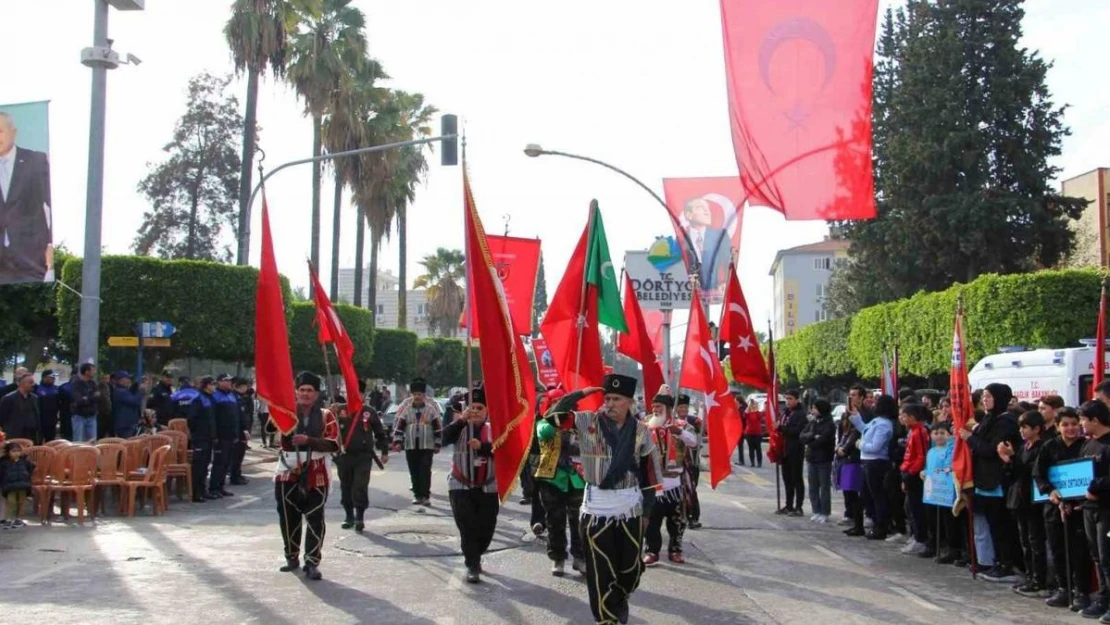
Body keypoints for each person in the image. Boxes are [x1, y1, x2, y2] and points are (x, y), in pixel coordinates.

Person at [544, 374, 663, 625]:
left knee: (630, 571)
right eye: (607, 398)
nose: (609, 403)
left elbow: (651, 479)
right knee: (600, 573)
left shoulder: (642, 432)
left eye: (616, 399)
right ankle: (606, 618)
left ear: (630, 401)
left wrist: (646, 516)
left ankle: (620, 598)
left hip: (630, 511)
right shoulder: (586, 421)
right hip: (596, 511)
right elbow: (552, 417)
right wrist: (581, 393)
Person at [275, 372, 339, 581]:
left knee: (315, 519)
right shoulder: (285, 412)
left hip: (316, 471)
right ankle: (291, 557)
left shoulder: (325, 415)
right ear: (296, 392)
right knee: (288, 517)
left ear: (316, 394)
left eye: (309, 390)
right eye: (301, 390)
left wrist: (309, 440)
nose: (305, 394)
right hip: (287, 471)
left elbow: (334, 444)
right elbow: (270, 426)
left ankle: (311, 561)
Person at [963, 383, 1022, 583]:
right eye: (984, 396)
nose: (985, 400)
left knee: (1001, 526)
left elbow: (990, 450)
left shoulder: (1006, 422)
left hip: (997, 480)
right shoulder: (989, 419)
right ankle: (993, 560)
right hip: (983, 480)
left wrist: (970, 438)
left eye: (989, 396)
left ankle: (1006, 564)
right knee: (990, 525)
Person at [1035, 407, 1091, 611]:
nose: (1071, 428)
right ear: (1058, 427)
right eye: (1065, 425)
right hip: (1055, 507)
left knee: (1080, 552)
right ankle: (1063, 588)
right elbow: (1039, 475)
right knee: (1058, 549)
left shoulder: (1086, 445)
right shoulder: (1049, 446)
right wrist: (1050, 492)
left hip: (1080, 508)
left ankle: (1082, 592)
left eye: (1074, 424)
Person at [443, 385, 499, 583]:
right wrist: (462, 421)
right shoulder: (459, 427)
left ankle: (478, 552)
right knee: (467, 527)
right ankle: (472, 564)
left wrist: (483, 447)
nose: (475, 411)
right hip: (461, 485)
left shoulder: (495, 428)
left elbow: (505, 450)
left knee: (486, 527)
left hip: (488, 486)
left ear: (487, 410)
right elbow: (442, 438)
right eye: (472, 407)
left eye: (479, 408)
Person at [642, 387, 698, 566]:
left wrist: (679, 432)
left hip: (675, 483)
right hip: (652, 483)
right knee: (651, 521)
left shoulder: (681, 425)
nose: (655, 409)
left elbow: (694, 442)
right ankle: (652, 551)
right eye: (653, 406)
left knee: (677, 521)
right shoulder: (644, 424)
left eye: (658, 406)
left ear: (667, 408)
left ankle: (675, 550)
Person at [534, 387, 585, 577]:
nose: (562, 407)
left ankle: (580, 558)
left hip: (577, 479)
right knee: (555, 521)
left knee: (579, 521)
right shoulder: (544, 423)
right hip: (551, 479)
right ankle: (558, 557)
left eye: (566, 403)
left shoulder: (580, 423)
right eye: (556, 402)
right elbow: (546, 431)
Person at [999, 410, 1048, 597]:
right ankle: (1030, 575)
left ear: (1036, 429)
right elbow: (1014, 472)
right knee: (1025, 541)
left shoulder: (1042, 447)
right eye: (1020, 427)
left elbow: (1032, 471)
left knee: (1035, 542)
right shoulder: (1023, 447)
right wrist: (1008, 460)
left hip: (1033, 500)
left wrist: (1012, 458)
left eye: (1025, 427)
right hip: (1019, 499)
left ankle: (1039, 580)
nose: (1021, 431)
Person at [0, 112, 52, 284]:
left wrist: (51, 245)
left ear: (13, 132)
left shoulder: (36, 161)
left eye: (0, 131)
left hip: (31, 259)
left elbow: (52, 204)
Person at [335, 396, 388, 533]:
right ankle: (349, 516)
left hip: (363, 456)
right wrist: (330, 412)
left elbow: (379, 432)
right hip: (344, 456)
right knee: (345, 486)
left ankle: (360, 517)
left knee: (360, 485)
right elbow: (329, 429)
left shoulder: (369, 411)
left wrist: (384, 451)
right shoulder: (339, 410)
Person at [1079, 400, 1110, 621]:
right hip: (1089, 509)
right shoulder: (1088, 444)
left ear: (1095, 420)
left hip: (1107, 509)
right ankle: (1103, 599)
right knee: (1097, 557)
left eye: (1082, 420)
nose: (1081, 424)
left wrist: (1095, 487)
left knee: (1108, 556)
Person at [390, 377, 442, 506]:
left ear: (424, 395)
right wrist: (397, 442)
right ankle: (417, 495)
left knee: (425, 470)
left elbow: (438, 427)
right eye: (415, 394)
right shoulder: (406, 409)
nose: (417, 397)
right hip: (411, 445)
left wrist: (438, 443)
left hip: (427, 445)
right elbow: (399, 427)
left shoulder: (431, 409)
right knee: (414, 470)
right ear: (411, 395)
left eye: (419, 394)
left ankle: (425, 496)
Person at [849, 394, 895, 540]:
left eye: (877, 402)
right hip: (868, 462)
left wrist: (860, 445)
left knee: (877, 496)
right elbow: (864, 429)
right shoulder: (876, 421)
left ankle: (881, 526)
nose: (874, 404)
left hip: (876, 462)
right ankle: (874, 523)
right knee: (867, 496)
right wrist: (856, 416)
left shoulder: (884, 424)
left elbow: (876, 446)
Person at [898, 402, 931, 555]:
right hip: (909, 471)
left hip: (914, 474)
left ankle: (920, 538)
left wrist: (911, 472)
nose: (902, 419)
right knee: (910, 507)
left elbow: (921, 456)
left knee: (916, 507)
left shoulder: (919, 432)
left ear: (912, 417)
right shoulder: (913, 432)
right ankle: (915, 535)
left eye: (904, 416)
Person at [800, 399, 835, 524]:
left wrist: (812, 438)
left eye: (815, 408)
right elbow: (802, 436)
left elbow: (823, 440)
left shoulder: (830, 424)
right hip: (811, 458)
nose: (812, 411)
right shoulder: (813, 422)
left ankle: (825, 512)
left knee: (824, 486)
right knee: (813, 486)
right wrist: (812, 436)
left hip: (824, 459)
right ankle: (816, 510)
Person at [778, 389, 808, 517]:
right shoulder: (786, 412)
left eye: (790, 399)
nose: (788, 401)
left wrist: (781, 428)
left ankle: (798, 506)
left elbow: (798, 431)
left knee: (796, 479)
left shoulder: (801, 414)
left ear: (797, 399)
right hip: (785, 450)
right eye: (786, 398)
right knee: (787, 479)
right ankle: (788, 504)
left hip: (795, 450)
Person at [188, 376, 217, 503]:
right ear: (206, 385)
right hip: (200, 437)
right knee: (198, 466)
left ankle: (203, 490)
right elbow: (192, 419)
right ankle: (196, 493)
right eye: (212, 384)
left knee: (205, 465)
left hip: (209, 437)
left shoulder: (210, 398)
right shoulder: (198, 398)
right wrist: (198, 432)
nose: (214, 386)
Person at [209, 374, 239, 498]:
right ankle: (213, 487)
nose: (229, 383)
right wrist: (214, 434)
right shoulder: (215, 396)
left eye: (230, 381)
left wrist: (236, 433)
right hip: (220, 435)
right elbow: (213, 418)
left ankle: (221, 486)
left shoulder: (231, 396)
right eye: (226, 380)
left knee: (227, 462)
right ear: (220, 382)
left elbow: (235, 416)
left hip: (230, 435)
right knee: (219, 462)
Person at [676, 394, 703, 529]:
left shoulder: (694, 421)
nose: (684, 410)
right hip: (676, 463)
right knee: (678, 492)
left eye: (685, 407)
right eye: (681, 407)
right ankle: (681, 516)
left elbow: (698, 440)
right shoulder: (671, 421)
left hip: (691, 462)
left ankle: (693, 517)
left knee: (691, 490)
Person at [835, 411, 864, 533]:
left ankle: (858, 525)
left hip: (853, 463)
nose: (845, 422)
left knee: (853, 495)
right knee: (847, 494)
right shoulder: (844, 432)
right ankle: (853, 519)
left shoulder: (855, 432)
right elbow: (838, 447)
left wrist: (840, 450)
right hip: (845, 464)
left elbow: (845, 449)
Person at [0, 441, 35, 529]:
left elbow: (31, 468)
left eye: (18, 451)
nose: (16, 453)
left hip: (23, 485)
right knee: (11, 503)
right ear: (8, 452)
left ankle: (19, 519)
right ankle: (9, 519)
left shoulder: (24, 461)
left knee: (22, 503)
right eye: (13, 451)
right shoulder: (4, 463)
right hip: (9, 487)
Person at [228, 378, 254, 486]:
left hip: (243, 430)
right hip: (238, 431)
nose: (246, 388)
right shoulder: (235, 398)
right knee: (236, 454)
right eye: (244, 386)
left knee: (240, 454)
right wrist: (244, 430)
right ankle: (234, 476)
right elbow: (238, 417)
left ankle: (237, 474)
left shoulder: (243, 398)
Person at [0, 372, 39, 443]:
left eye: (33, 382)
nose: (33, 384)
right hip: (14, 437)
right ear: (21, 384)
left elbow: (37, 417)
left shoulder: (35, 398)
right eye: (30, 382)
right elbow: (2, 418)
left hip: (31, 436)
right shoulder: (8, 398)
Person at [70, 363, 100, 442]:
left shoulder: (93, 383)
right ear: (87, 372)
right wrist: (91, 397)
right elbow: (79, 400)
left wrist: (87, 398)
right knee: (78, 441)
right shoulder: (76, 384)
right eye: (93, 370)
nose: (95, 372)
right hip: (79, 416)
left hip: (91, 416)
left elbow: (98, 397)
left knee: (93, 441)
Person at [111, 371, 145, 440]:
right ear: (121, 380)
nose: (128, 381)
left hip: (129, 423)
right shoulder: (120, 391)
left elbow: (131, 393)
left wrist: (136, 385)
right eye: (126, 379)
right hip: (124, 424)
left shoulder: (124, 390)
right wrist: (141, 391)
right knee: (129, 444)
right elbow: (134, 401)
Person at [33, 369, 59, 442]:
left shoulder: (56, 389)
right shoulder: (36, 389)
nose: (53, 379)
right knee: (38, 440)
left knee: (51, 441)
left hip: (52, 420)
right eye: (51, 377)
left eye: (54, 377)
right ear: (44, 378)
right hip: (40, 420)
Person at [744, 398, 763, 468]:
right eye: (753, 404)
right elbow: (745, 415)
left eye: (754, 404)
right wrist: (749, 405)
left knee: (758, 448)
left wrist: (756, 408)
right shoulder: (748, 413)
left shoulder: (758, 413)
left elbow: (760, 417)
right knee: (751, 449)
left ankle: (759, 462)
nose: (753, 406)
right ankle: (752, 462)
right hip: (749, 433)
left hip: (757, 433)